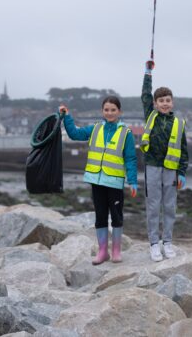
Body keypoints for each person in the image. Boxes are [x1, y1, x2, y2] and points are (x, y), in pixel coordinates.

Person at [59, 96, 137, 265]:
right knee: (100, 216)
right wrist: (67, 116)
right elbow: (74, 134)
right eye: (106, 110)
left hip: (115, 183)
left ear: (119, 112)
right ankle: (103, 252)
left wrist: (133, 181)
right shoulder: (95, 129)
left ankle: (116, 251)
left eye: (113, 110)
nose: (109, 113)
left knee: (116, 216)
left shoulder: (126, 133)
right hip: (97, 181)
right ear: (102, 111)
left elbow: (130, 158)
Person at [141, 59, 188, 262]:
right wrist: (148, 74)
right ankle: (153, 243)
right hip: (152, 166)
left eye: (168, 100)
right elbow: (144, 95)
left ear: (172, 102)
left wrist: (183, 172)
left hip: (171, 169)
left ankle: (167, 242)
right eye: (161, 100)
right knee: (153, 206)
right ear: (155, 103)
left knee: (169, 206)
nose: (165, 103)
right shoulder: (151, 115)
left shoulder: (179, 123)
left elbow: (184, 149)